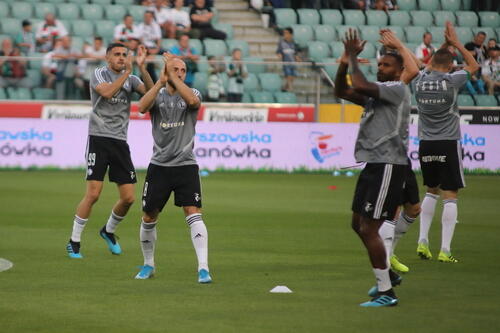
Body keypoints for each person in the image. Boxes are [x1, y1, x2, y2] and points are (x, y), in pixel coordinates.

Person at [334, 29, 418, 307]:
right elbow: (342, 90)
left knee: (370, 228)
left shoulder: (396, 89)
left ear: (398, 71)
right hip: (373, 164)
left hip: (388, 165)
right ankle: (388, 275)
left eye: (386, 65)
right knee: (357, 224)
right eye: (380, 64)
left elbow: (359, 82)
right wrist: (345, 61)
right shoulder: (377, 96)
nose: (381, 68)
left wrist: (353, 59)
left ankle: (386, 292)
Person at [66, 43, 154, 259]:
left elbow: (152, 95)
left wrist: (142, 69)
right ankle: (74, 241)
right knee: (94, 193)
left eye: (125, 55)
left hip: (120, 141)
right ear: (107, 57)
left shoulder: (131, 78)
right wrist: (127, 74)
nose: (122, 58)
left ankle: (108, 231)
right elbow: (106, 92)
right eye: (117, 54)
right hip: (98, 138)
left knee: (129, 198)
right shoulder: (99, 73)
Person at [135, 53, 212, 284]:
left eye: (182, 70)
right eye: (175, 69)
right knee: (149, 216)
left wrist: (171, 73)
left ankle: (203, 268)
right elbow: (141, 107)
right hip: (159, 166)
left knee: (193, 211)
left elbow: (193, 103)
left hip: (186, 165)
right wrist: (160, 79)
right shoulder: (157, 96)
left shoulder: (192, 93)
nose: (179, 73)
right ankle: (148, 264)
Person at [414, 22, 479, 263]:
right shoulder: (453, 80)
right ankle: (445, 250)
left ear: (430, 62)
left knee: (431, 191)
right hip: (448, 142)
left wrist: (444, 47)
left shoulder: (419, 80)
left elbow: (429, 65)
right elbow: (474, 65)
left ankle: (422, 241)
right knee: (450, 195)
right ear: (451, 66)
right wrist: (456, 43)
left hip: (426, 143)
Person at [277, 27, 301, 92]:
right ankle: (290, 89)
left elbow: (296, 53)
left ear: (291, 34)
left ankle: (285, 88)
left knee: (292, 77)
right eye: (284, 33)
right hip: (286, 63)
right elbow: (279, 52)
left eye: (286, 33)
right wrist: (280, 55)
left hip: (293, 63)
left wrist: (297, 58)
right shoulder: (281, 43)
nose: (285, 34)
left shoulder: (294, 43)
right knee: (289, 76)